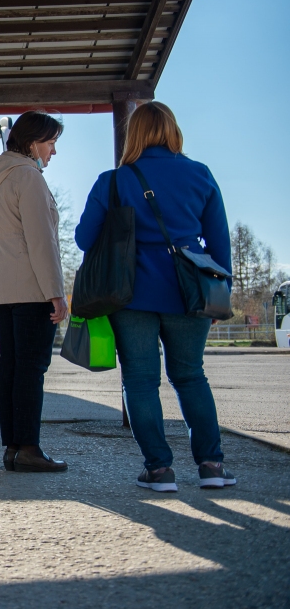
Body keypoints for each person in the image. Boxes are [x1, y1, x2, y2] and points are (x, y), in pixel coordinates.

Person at [76, 102, 235, 492]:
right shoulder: (200, 175)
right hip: (188, 293)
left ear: (134, 135)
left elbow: (83, 239)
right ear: (172, 131)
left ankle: (159, 470)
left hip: (130, 296)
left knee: (141, 381)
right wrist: (221, 294)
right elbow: (219, 243)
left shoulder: (113, 181)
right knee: (190, 376)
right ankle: (211, 466)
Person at [0, 111, 69, 473]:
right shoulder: (28, 177)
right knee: (31, 370)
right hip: (32, 289)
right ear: (33, 144)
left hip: (1, 289)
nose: (53, 152)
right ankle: (29, 448)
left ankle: (13, 447)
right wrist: (57, 293)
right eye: (51, 143)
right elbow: (42, 242)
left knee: (12, 369)